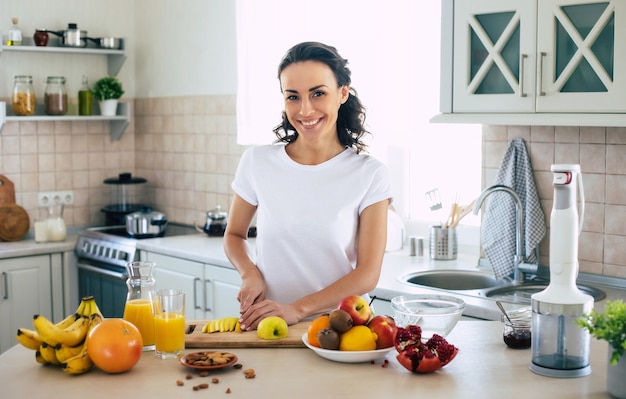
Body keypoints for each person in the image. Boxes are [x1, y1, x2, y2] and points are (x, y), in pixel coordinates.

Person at [224, 41, 392, 331]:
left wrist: (297, 309)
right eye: (293, 97)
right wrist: (249, 273)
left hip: (341, 332)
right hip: (270, 326)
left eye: (318, 93)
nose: (305, 109)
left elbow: (367, 274)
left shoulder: (370, 174)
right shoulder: (257, 162)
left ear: (342, 93)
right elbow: (234, 235)